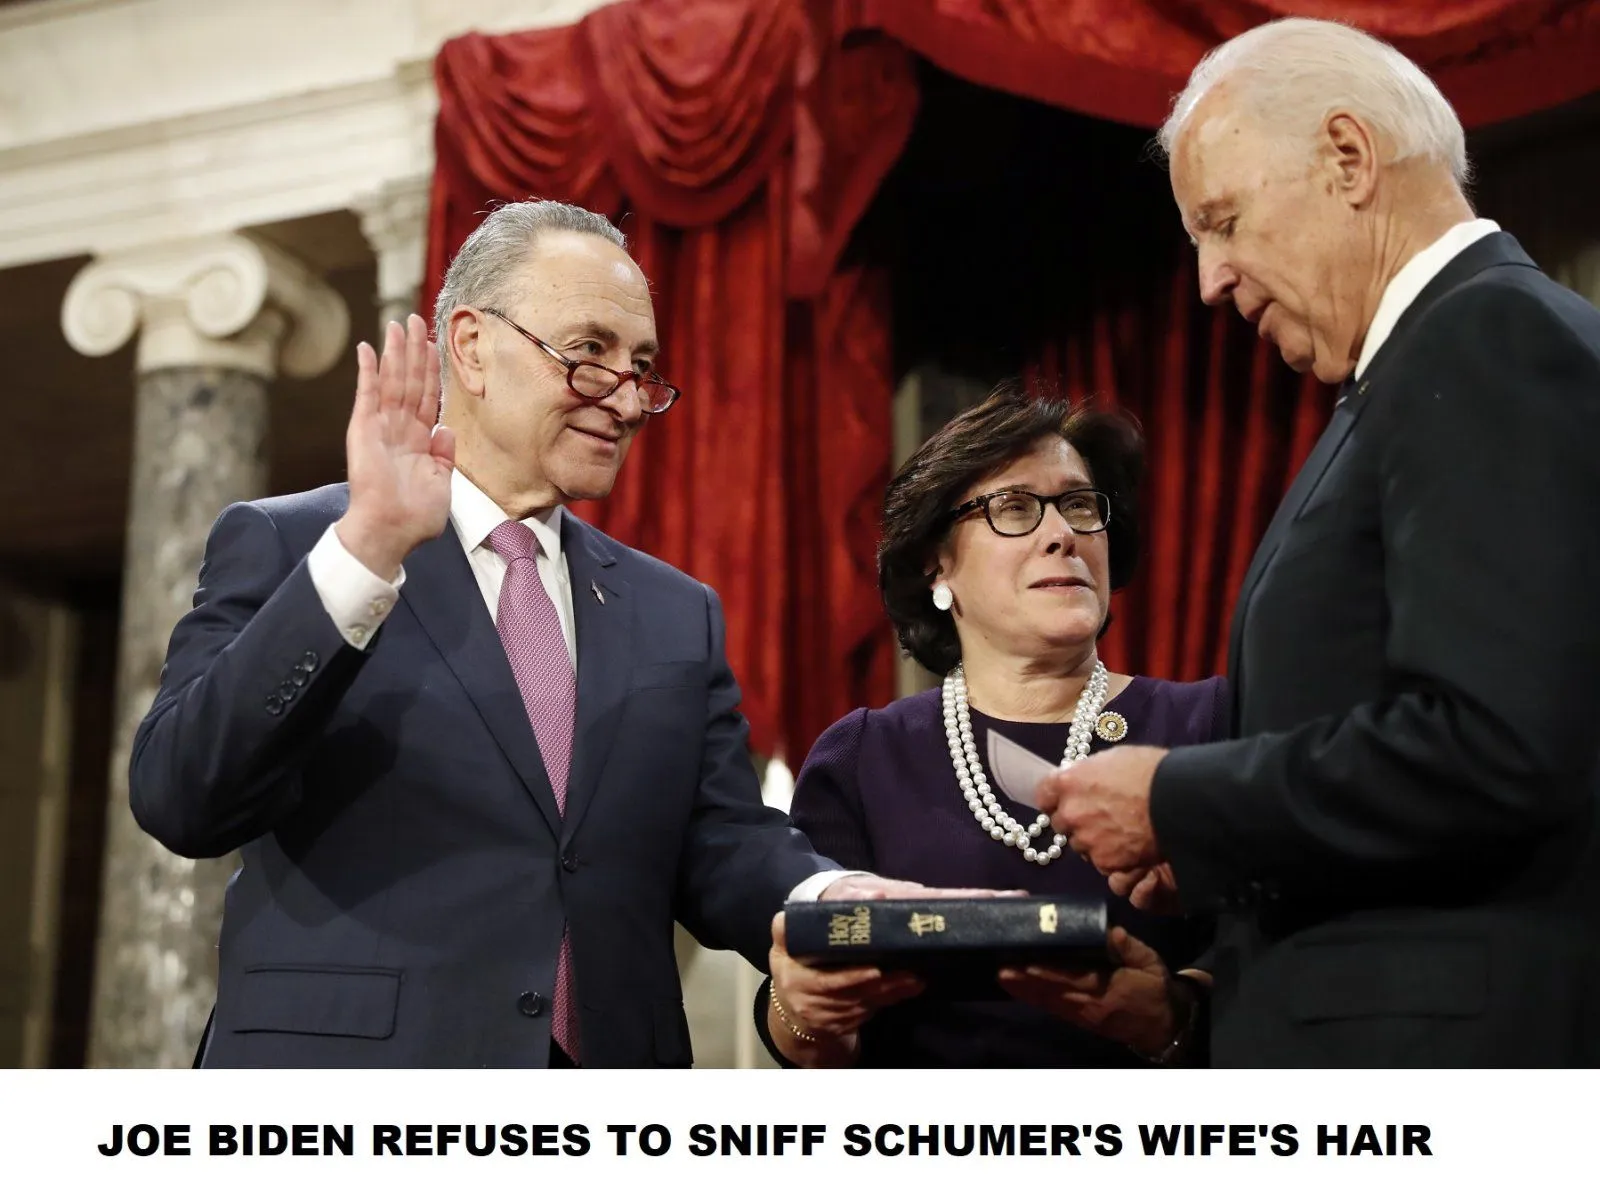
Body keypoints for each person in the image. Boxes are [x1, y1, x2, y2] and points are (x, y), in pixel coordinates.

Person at [130, 199, 938, 1068]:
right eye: (589, 352)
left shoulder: (674, 612)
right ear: (473, 346)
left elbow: (722, 841)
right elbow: (182, 795)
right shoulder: (300, 545)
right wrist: (368, 550)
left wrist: (829, 900)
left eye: (642, 367)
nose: (626, 398)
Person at [1040, 18, 1600, 1066]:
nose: (1210, 280)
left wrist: (1177, 799)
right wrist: (1220, 849)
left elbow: (1495, 748)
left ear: (1348, 158)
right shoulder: (1407, 375)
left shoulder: (1485, 339)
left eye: (1223, 221)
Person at [758, 385, 1226, 1068]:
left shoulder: (1211, 724)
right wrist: (800, 1012)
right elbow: (815, 1029)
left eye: (1079, 505)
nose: (1062, 534)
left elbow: (1282, 962)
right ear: (935, 562)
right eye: (1014, 508)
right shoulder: (862, 758)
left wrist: (1172, 1016)